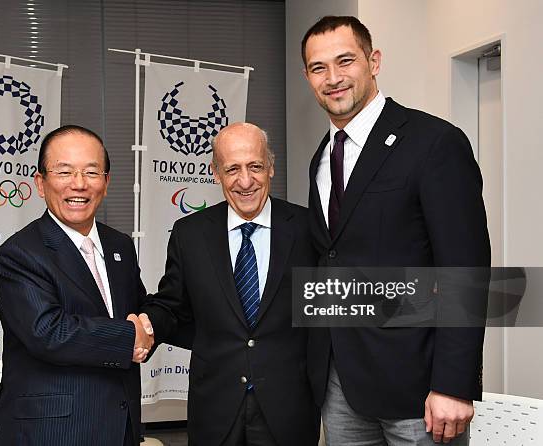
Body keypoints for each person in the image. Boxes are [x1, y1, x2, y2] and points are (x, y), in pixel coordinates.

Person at [302, 16, 490, 445]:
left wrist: (454, 384)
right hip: (341, 386)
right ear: (308, 76)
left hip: (419, 390)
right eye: (318, 67)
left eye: (345, 61)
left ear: (374, 62)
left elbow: (465, 267)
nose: (333, 78)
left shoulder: (434, 143)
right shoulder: (321, 158)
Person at [140, 123, 320, 445]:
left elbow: (330, 308)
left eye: (255, 166)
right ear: (215, 173)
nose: (246, 181)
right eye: (232, 169)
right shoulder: (189, 234)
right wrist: (146, 324)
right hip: (215, 411)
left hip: (288, 411)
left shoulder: (308, 229)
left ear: (271, 167)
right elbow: (172, 306)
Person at [0, 125, 153, 445]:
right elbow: (49, 332)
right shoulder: (20, 253)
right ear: (40, 182)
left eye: (91, 172)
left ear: (106, 182)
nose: (79, 184)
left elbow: (137, 305)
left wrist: (149, 323)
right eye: (64, 172)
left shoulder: (119, 244)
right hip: (52, 431)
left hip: (120, 425)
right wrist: (130, 335)